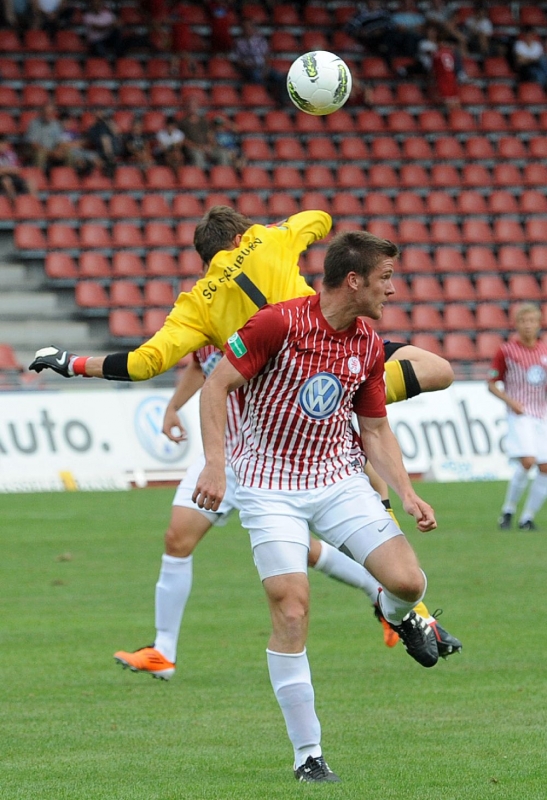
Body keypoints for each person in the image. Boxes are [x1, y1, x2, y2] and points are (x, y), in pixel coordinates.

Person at [193, 230, 439, 782]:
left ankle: (395, 615)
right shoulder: (277, 323)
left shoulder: (368, 344)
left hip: (336, 478)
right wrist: (214, 462)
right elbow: (217, 387)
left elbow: (374, 429)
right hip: (268, 483)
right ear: (354, 281)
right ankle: (309, 756)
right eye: (385, 279)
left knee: (408, 583)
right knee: (292, 609)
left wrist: (406, 491)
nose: (392, 291)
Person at [113, 339, 461, 681]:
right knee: (177, 539)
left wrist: (384, 493)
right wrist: (174, 406)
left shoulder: (265, 324)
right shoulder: (204, 318)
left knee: (312, 552)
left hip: (276, 466)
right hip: (222, 461)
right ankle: (164, 651)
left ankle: (397, 606)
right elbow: (198, 365)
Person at [27, 206, 451, 401]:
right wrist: (277, 231)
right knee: (437, 370)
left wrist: (71, 362)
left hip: (280, 386)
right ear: (238, 238)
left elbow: (143, 365)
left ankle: (354, 397)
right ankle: (357, 394)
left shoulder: (196, 304)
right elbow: (319, 218)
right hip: (332, 348)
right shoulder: (266, 238)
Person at [488, 303, 547, 531]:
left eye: (532, 321)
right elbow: (491, 383)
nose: (528, 326)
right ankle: (509, 510)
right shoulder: (506, 351)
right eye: (524, 321)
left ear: (539, 324)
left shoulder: (544, 352)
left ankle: (527, 518)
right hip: (520, 415)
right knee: (528, 461)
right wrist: (512, 403)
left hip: (541, 415)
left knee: (545, 467)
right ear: (517, 324)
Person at [232, 20, 286, 105]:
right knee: (256, 76)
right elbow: (238, 61)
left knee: (280, 77)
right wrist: (250, 66)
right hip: (249, 68)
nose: (248, 29)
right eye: (245, 28)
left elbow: (267, 55)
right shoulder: (238, 43)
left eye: (249, 27)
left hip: (263, 66)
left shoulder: (260, 40)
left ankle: (282, 100)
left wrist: (266, 69)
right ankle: (263, 99)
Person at [25, 103, 64, 171]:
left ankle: (66, 177)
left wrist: (58, 150)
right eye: (46, 113)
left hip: (53, 150)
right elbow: (34, 145)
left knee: (69, 153)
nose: (48, 115)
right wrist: (51, 153)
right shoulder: (34, 124)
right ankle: (39, 176)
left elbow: (60, 141)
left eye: (50, 113)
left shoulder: (56, 124)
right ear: (41, 113)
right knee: (40, 154)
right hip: (40, 150)